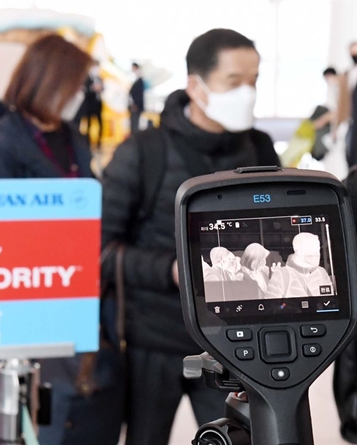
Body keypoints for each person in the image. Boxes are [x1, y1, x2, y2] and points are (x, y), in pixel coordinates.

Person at [101, 28, 280, 445]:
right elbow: (100, 251)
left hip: (233, 341)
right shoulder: (144, 152)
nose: (247, 93)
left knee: (243, 438)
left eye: (253, 81)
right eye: (234, 82)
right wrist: (171, 269)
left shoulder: (260, 149)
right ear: (196, 86)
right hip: (153, 339)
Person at [0, 33, 123, 445]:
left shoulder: (69, 134)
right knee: (43, 409)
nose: (83, 94)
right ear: (50, 81)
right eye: (77, 85)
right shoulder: (7, 138)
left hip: (77, 286)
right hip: (32, 293)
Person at [265, 233, 332, 299]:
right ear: (298, 251)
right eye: (311, 248)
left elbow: (330, 300)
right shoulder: (282, 275)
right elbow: (271, 306)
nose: (316, 253)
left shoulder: (321, 272)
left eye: (318, 248)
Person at [129, 62, 145, 134]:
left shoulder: (140, 80)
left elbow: (139, 94)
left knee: (135, 125)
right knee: (133, 124)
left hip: (136, 106)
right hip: (133, 105)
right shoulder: (135, 80)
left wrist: (136, 104)